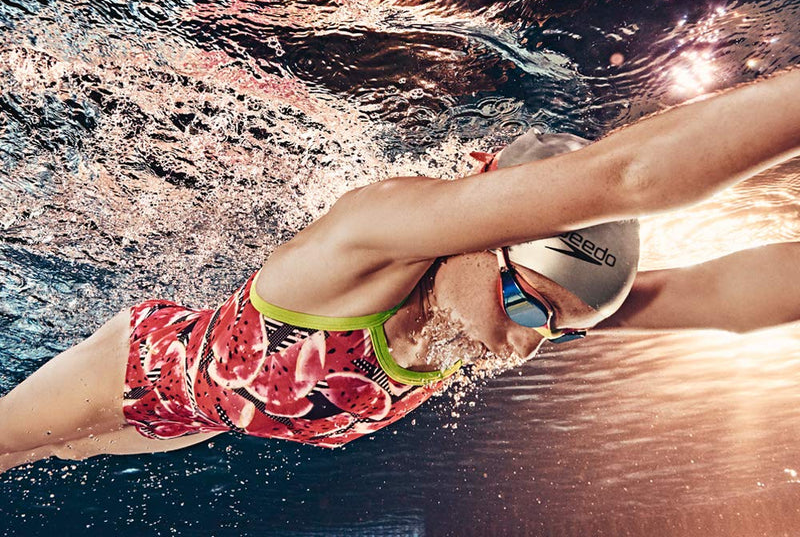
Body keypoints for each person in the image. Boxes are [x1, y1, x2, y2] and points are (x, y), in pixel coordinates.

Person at [1, 67, 800, 472]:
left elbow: (725, 299)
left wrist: (542, 312)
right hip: (135, 373)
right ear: (489, 234)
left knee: (51, 456)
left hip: (200, 418)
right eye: (525, 307)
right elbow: (626, 178)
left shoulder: (498, 313)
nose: (524, 346)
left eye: (554, 331)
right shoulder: (370, 240)